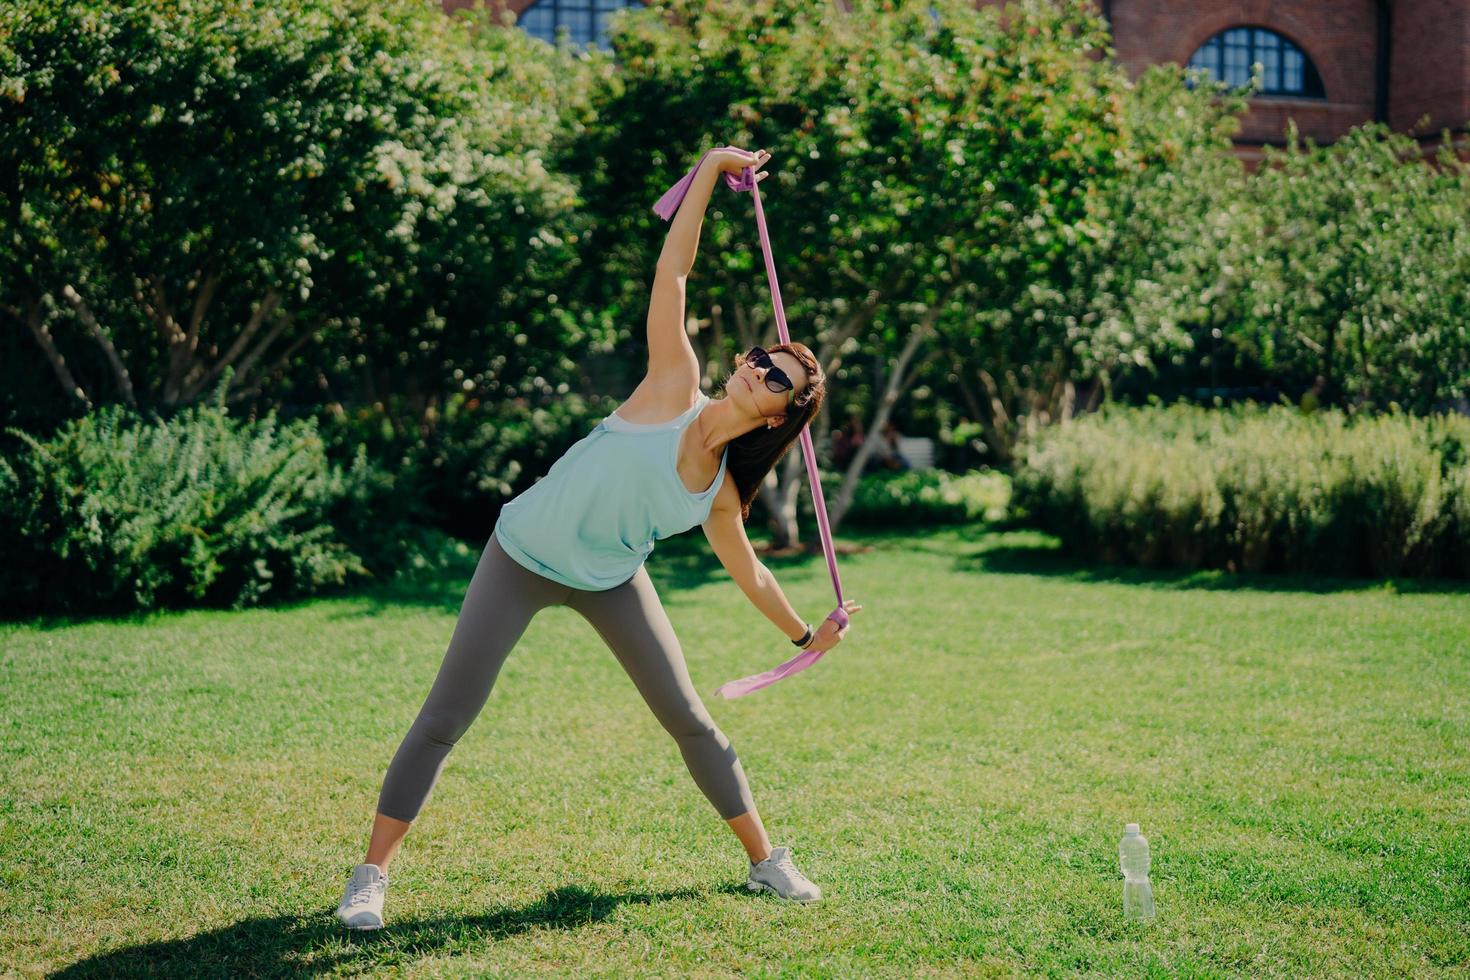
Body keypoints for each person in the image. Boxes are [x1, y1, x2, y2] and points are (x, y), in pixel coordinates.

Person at [337, 146, 863, 929]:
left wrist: (803, 637)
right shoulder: (671, 385)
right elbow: (673, 276)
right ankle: (369, 878)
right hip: (520, 555)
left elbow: (749, 570)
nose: (758, 368)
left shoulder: (721, 493)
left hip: (611, 578)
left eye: (777, 377)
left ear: (783, 415)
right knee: (446, 716)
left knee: (689, 718)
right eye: (760, 356)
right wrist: (711, 173)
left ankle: (765, 861)